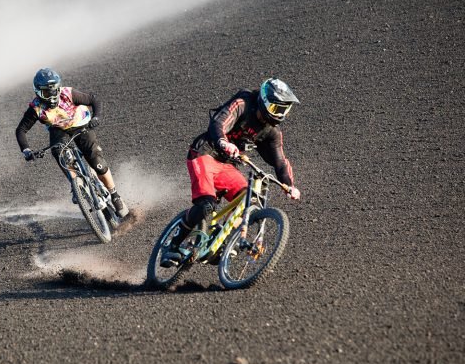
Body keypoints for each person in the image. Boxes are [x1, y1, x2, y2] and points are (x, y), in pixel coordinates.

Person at [161, 77, 301, 267]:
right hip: (204, 153)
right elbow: (218, 123)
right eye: (277, 108)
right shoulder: (243, 103)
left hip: (227, 164)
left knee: (248, 199)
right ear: (266, 101)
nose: (280, 115)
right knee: (206, 205)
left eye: (284, 110)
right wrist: (223, 142)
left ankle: (221, 240)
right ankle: (172, 245)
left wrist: (289, 185)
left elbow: (280, 162)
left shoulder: (271, 132)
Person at [16, 67, 129, 218]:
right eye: (47, 92)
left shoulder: (69, 94)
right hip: (59, 130)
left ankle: (115, 195)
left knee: (97, 162)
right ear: (38, 92)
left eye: (54, 90)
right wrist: (27, 150)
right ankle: (75, 185)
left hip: (81, 124)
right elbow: (21, 130)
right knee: (58, 152)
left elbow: (92, 99)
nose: (52, 95)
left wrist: (96, 117)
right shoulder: (36, 108)